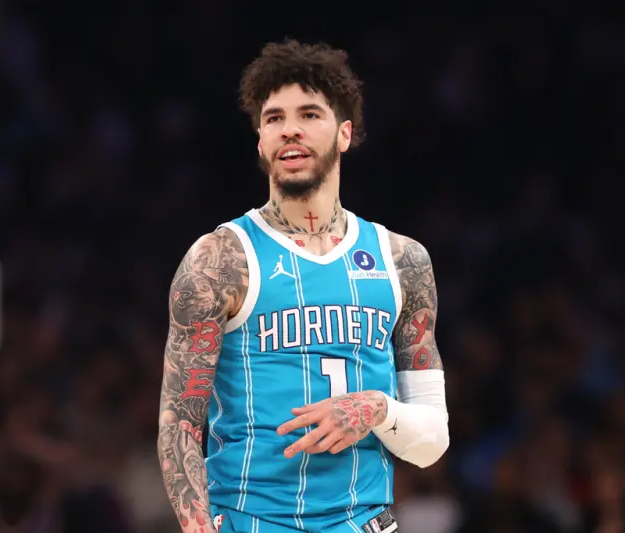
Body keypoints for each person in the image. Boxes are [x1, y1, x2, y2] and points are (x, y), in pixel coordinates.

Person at [157, 39, 450, 533]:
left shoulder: (403, 261)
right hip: (252, 520)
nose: (289, 128)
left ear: (344, 133)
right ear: (260, 140)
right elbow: (180, 426)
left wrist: (376, 408)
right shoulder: (220, 260)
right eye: (274, 118)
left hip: (363, 522)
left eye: (309, 114)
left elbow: (431, 443)